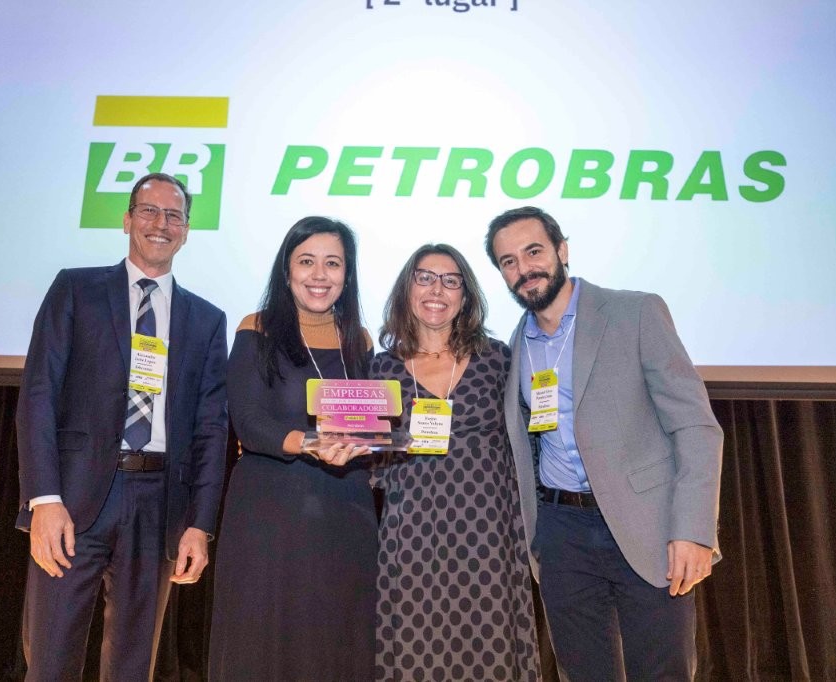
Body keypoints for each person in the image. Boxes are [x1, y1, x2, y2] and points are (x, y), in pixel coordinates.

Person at [485, 206, 723, 680]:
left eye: (533, 251)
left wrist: (694, 530)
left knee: (663, 672)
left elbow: (695, 426)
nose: (524, 268)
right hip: (562, 532)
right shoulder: (517, 344)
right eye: (509, 261)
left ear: (562, 250)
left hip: (645, 524)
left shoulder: (635, 312)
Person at [15, 172, 228, 681]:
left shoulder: (207, 320)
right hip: (73, 499)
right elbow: (38, 396)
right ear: (127, 219)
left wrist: (199, 524)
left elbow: (211, 430)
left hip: (159, 504)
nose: (161, 224)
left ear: (186, 231)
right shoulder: (76, 289)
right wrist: (43, 500)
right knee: (50, 659)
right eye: (149, 211)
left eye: (174, 216)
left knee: (134, 665)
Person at [208, 216, 377, 681]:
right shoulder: (257, 328)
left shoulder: (360, 340)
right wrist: (308, 442)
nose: (319, 275)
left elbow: (370, 421)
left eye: (333, 263)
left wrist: (376, 441)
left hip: (345, 508)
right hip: (271, 510)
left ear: (347, 274)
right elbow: (248, 421)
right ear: (287, 271)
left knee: (335, 639)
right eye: (306, 261)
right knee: (263, 639)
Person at [370, 244, 542, 681]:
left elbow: (527, 435)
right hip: (411, 531)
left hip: (487, 530)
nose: (437, 290)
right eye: (425, 278)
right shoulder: (380, 369)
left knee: (488, 644)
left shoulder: (497, 358)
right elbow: (371, 455)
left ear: (465, 296)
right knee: (415, 642)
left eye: (451, 281)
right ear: (407, 289)